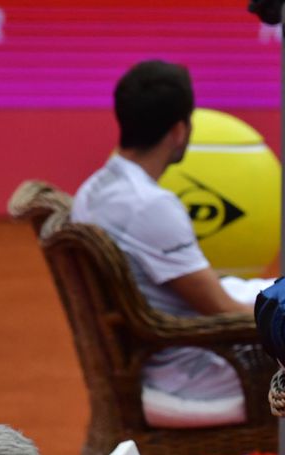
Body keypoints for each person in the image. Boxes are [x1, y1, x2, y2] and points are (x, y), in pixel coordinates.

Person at [71, 59, 268, 425]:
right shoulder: (151, 206)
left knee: (280, 293)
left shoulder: (91, 190)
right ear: (179, 131)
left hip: (149, 355)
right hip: (189, 375)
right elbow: (221, 309)